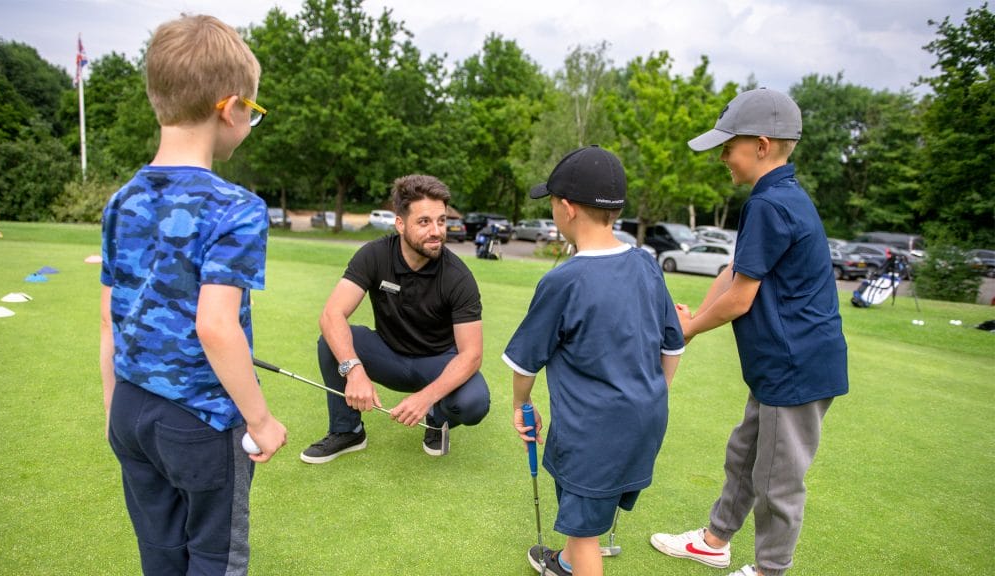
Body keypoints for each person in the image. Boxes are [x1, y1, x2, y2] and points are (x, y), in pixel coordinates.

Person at [99, 14, 287, 575]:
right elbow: (216, 325)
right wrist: (260, 420)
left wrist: (115, 410)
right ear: (229, 109)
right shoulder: (236, 209)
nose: (249, 123)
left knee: (159, 552)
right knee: (214, 557)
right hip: (200, 420)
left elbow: (110, 320)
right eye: (252, 112)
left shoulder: (121, 201)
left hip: (131, 408)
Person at [649, 88, 849, 576]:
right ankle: (715, 540)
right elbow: (735, 273)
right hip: (780, 364)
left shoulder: (772, 204)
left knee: (778, 479)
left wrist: (688, 329)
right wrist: (689, 320)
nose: (722, 156)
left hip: (795, 365)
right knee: (745, 452)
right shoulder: (776, 196)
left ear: (761, 145)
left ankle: (769, 569)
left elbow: (741, 300)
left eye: (729, 146)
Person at [504, 145, 685, 576]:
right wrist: (650, 398)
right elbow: (672, 347)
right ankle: (565, 561)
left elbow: (525, 365)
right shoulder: (647, 263)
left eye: (550, 203)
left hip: (593, 432)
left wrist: (519, 406)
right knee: (586, 504)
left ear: (566, 209)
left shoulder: (563, 280)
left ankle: (575, 560)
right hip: (646, 419)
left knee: (586, 530)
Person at [301, 174, 490, 463]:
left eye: (441, 221)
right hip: (387, 354)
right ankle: (347, 430)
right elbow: (331, 314)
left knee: (474, 402)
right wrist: (354, 370)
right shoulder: (374, 255)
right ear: (400, 223)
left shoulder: (458, 277)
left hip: (437, 363)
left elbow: (472, 355)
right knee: (331, 341)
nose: (437, 231)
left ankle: (435, 418)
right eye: (424, 222)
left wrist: (425, 398)